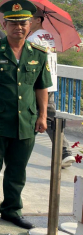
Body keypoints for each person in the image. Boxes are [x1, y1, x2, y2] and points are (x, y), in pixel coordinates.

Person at [0, 0, 51, 229]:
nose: (18, 27)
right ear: (5, 25)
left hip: (26, 120)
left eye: (23, 23)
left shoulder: (38, 53)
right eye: (13, 23)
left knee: (17, 170)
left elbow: (41, 87)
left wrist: (42, 116)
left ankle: (12, 210)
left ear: (30, 25)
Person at [27, 11, 73, 167]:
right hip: (50, 80)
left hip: (38, 83)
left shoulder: (33, 38)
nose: (27, 23)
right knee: (47, 116)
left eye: (29, 20)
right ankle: (64, 152)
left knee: (44, 117)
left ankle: (64, 151)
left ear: (38, 20)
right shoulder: (49, 36)